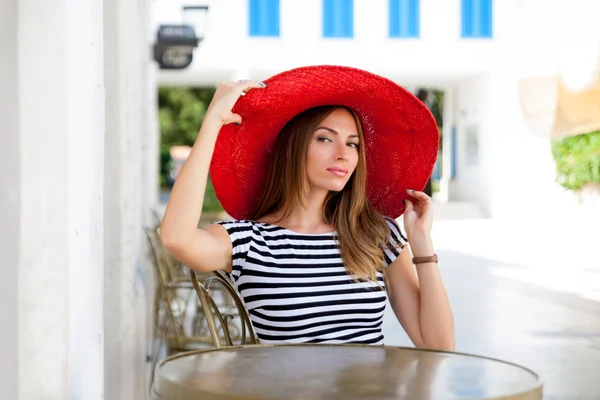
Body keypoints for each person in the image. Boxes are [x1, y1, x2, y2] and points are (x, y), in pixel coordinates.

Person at [160, 65, 454, 350]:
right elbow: (176, 238)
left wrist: (421, 244)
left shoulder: (377, 235)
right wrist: (212, 122)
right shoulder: (249, 242)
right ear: (294, 147)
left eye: (353, 144)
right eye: (325, 138)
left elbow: (438, 345)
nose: (343, 155)